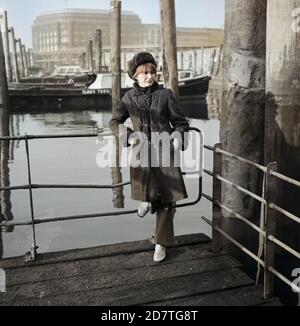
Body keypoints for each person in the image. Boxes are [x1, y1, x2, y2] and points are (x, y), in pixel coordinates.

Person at [109, 52, 189, 262]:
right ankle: (147, 199)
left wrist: (178, 135)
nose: (149, 76)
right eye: (144, 73)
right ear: (135, 76)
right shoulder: (128, 98)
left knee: (169, 200)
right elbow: (114, 122)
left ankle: (160, 245)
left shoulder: (166, 95)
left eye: (152, 72)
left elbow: (180, 122)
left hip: (165, 154)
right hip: (141, 153)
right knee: (152, 191)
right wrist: (125, 134)